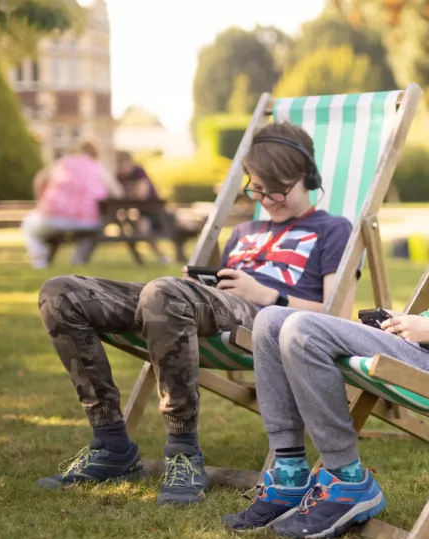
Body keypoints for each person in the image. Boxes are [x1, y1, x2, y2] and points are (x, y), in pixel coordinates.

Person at [222, 126, 429, 539]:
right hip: (428, 348)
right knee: (269, 322)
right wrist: (411, 326)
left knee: (302, 329)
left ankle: (347, 479)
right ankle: (290, 471)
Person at [36, 122, 357, 507]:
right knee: (61, 294)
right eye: (255, 187)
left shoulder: (334, 230)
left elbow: (336, 316)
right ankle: (111, 444)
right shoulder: (243, 232)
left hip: (269, 320)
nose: (266, 198)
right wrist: (198, 287)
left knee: (165, 292)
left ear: (308, 176)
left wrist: (269, 294)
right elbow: (210, 298)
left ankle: (184, 453)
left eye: (277, 188)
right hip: (202, 309)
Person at [22, 141, 123, 269]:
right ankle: (77, 261)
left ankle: (39, 258)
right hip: (87, 220)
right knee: (92, 232)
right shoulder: (97, 167)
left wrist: (40, 201)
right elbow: (118, 192)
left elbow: (40, 179)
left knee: (28, 225)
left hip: (54, 216)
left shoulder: (63, 162)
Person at [115, 151, 172, 263]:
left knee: (141, 226)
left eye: (122, 164)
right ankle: (149, 258)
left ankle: (162, 256)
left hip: (155, 211)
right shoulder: (119, 176)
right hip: (139, 212)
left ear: (130, 163)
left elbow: (142, 194)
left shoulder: (139, 172)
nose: (120, 167)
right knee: (129, 227)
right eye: (118, 164)